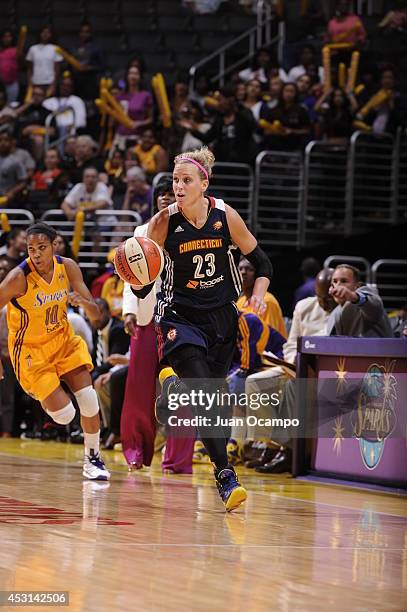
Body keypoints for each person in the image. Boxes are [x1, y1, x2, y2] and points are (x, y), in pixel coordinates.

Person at [132, 146, 273, 511]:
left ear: (203, 184)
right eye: (176, 180)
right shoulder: (162, 223)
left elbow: (261, 261)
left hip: (223, 317)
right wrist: (134, 277)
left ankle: (174, 387)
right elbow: (146, 284)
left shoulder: (225, 216)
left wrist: (257, 292)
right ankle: (226, 476)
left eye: (186, 180)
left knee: (215, 406)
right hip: (181, 316)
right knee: (205, 398)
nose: (179, 186)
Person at [0, 222, 110, 480]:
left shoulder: (68, 267)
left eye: (41, 248)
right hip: (31, 352)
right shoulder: (18, 278)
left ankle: (92, 458)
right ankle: (45, 396)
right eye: (30, 249)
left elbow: (97, 317)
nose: (35, 254)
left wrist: (84, 302)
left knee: (89, 399)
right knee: (64, 415)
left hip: (63, 341)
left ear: (54, 246)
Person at [120, 177, 174, 470]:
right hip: (145, 317)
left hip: (179, 318)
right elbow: (131, 276)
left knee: (179, 386)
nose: (165, 198)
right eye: (161, 194)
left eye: (170, 193)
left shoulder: (188, 228)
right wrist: (129, 310)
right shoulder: (141, 231)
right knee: (138, 387)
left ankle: (177, 458)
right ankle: (136, 450)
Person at [327, 264, 393, 337]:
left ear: (357, 286)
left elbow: (374, 304)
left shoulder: (367, 295)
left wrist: (354, 296)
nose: (338, 285)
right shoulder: (334, 313)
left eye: (344, 281)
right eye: (335, 281)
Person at [237, 257, 286, 337]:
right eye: (240, 269)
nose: (243, 272)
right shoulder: (240, 302)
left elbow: (270, 338)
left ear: (259, 274)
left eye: (249, 269)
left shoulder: (267, 301)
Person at [26, 26, 62, 96]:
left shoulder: (56, 48)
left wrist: (54, 85)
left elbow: (57, 69)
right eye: (43, 32)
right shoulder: (33, 49)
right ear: (40, 34)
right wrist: (29, 85)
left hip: (49, 83)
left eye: (47, 32)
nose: (45, 34)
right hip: (36, 82)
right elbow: (30, 69)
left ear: (51, 34)